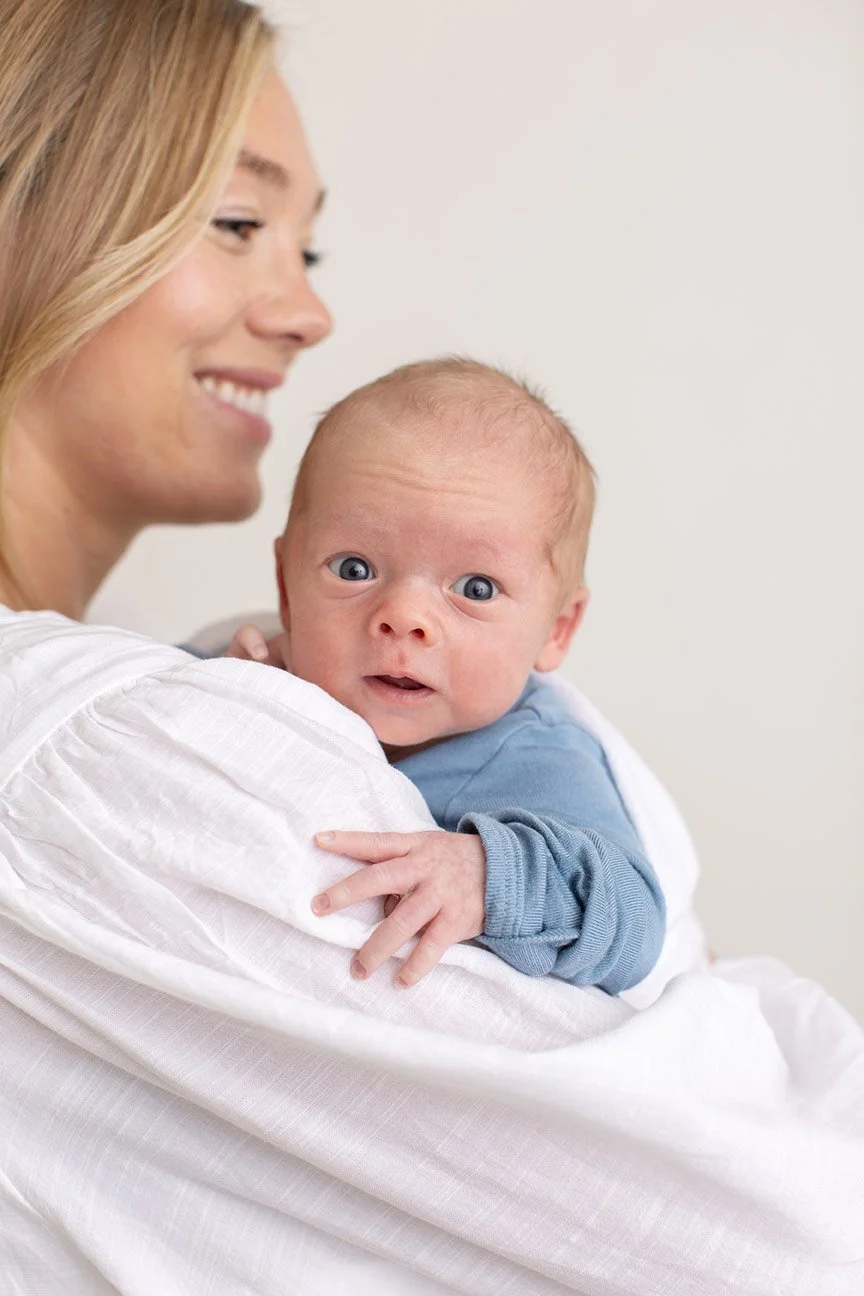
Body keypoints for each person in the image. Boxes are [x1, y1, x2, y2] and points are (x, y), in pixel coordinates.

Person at [1, 3, 862, 1294]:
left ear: (558, 626)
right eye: (239, 223)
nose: (308, 313)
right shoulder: (105, 752)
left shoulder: (170, 701)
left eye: (311, 242)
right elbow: (788, 1223)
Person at [225, 357, 666, 994]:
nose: (404, 618)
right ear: (286, 589)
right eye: (354, 569)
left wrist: (485, 875)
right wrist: (220, 690)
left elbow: (634, 920)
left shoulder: (533, 753)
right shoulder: (259, 658)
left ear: (556, 630)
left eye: (475, 588)